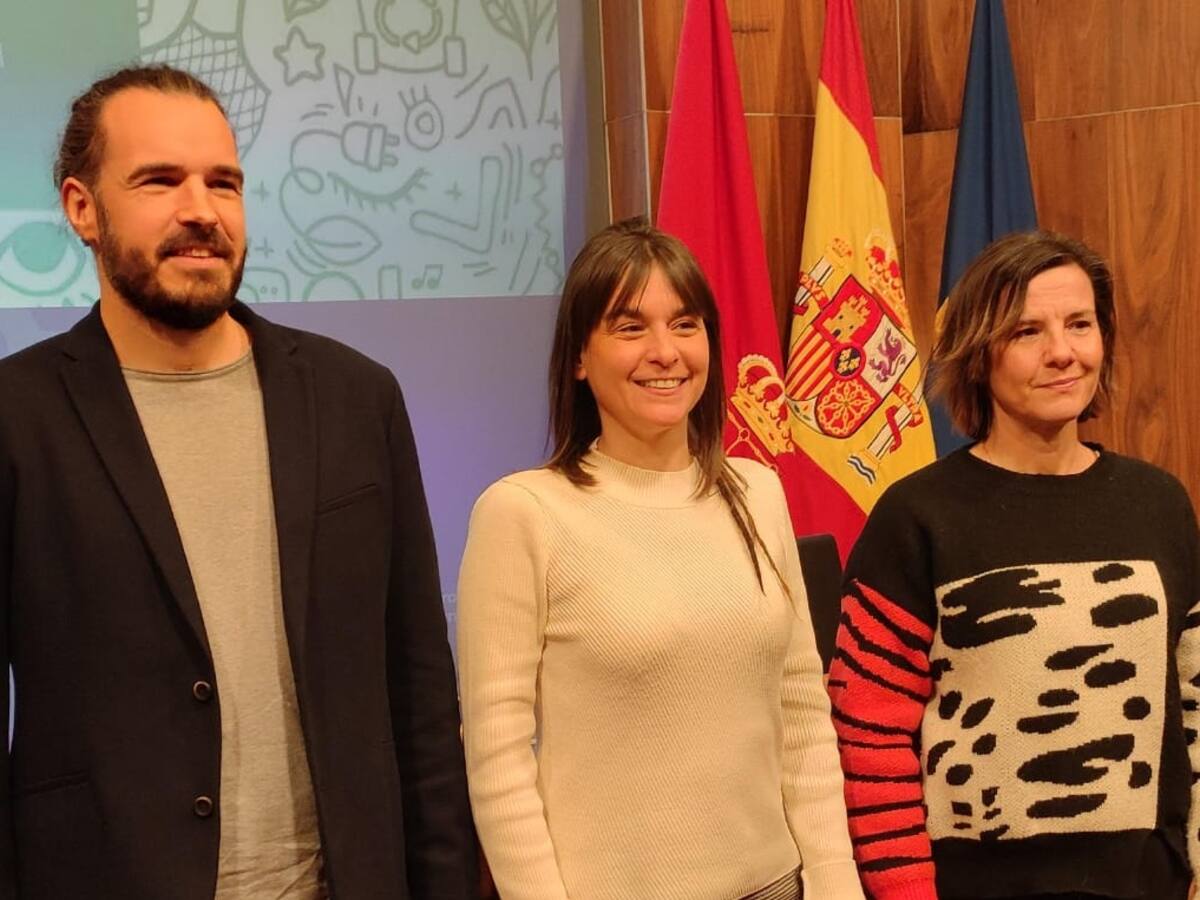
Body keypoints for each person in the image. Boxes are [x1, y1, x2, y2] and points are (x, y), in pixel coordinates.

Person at [0, 65, 476, 899]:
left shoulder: (356, 398)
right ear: (82, 208)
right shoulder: (16, 415)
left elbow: (420, 693)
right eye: (160, 181)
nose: (202, 210)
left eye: (223, 182)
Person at [456, 218, 864, 900]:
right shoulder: (522, 512)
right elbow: (498, 759)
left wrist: (835, 886)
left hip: (778, 886)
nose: (665, 352)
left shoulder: (757, 491)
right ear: (579, 357)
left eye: (685, 324)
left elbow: (801, 712)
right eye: (630, 326)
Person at [828, 231, 1200, 900]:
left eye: (1080, 324)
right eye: (1027, 331)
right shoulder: (916, 516)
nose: (1062, 352)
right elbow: (871, 737)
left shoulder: (1160, 504)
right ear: (979, 353)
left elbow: (1196, 703)